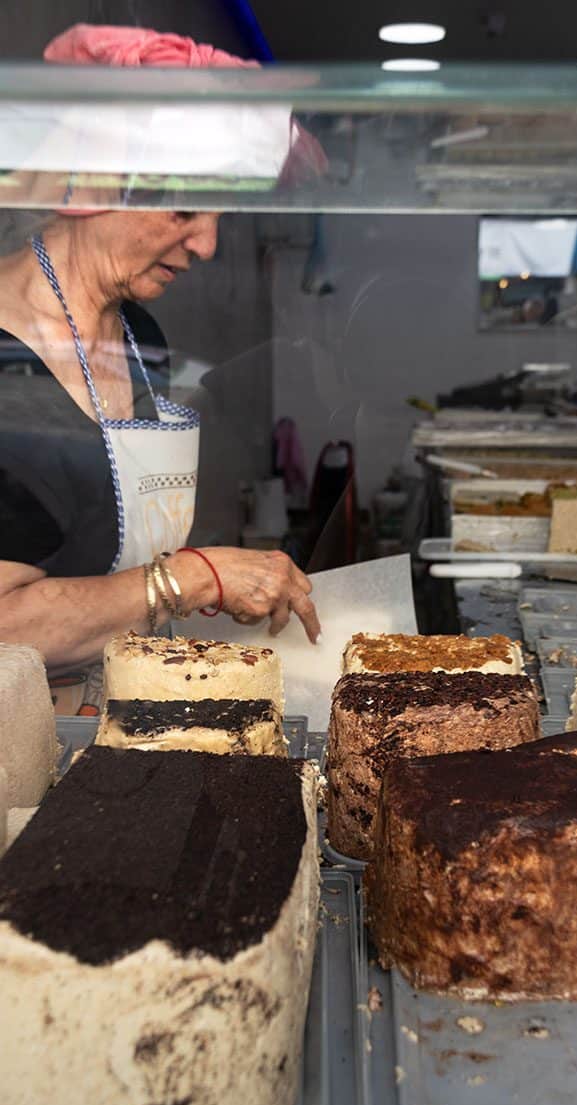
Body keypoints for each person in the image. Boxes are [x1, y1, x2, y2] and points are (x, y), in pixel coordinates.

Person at [0, 25, 322, 711]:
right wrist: (194, 578)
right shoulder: (5, 359)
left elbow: (109, 557)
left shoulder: (138, 337)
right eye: (184, 208)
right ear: (95, 187)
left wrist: (220, 580)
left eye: (219, 215)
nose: (207, 244)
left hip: (113, 729)